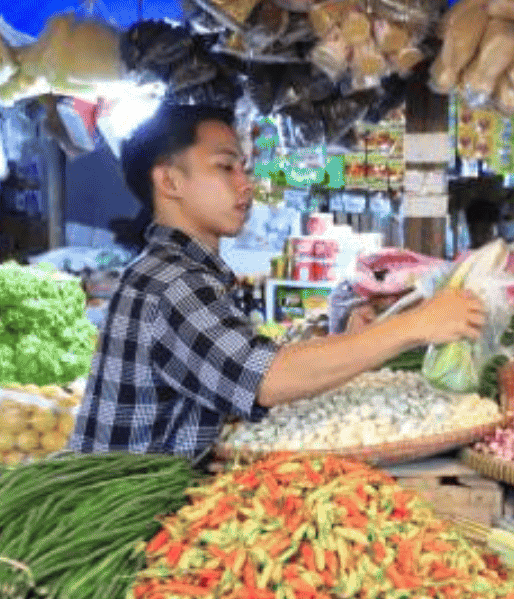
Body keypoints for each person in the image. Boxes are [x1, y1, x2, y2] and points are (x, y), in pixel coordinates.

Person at [70, 105, 483, 462]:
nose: (245, 184)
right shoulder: (172, 282)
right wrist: (414, 326)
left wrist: (354, 344)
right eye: (225, 167)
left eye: (244, 168)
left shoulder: (177, 270)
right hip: (137, 515)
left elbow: (244, 368)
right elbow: (266, 378)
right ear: (170, 182)